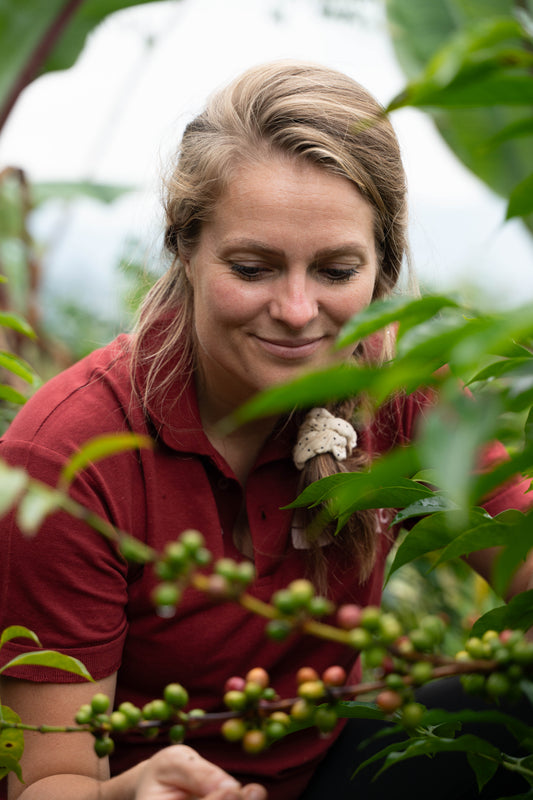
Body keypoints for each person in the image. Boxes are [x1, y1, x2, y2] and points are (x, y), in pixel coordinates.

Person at [0, 60, 531, 800]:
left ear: (383, 269)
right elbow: (46, 778)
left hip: (331, 771)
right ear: (183, 248)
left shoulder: (397, 385)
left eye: (335, 270)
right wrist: (132, 791)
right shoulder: (70, 456)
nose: (294, 308)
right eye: (251, 268)